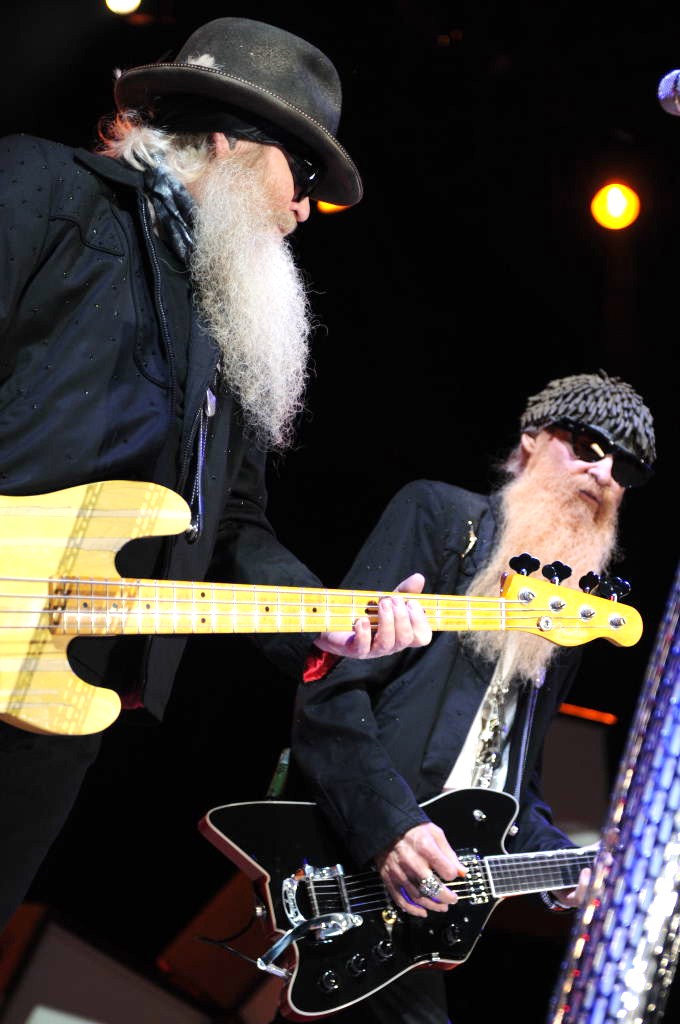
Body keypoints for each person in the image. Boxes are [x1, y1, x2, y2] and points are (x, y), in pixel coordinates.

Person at [0, 18, 432, 931]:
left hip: (57, 693)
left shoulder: (226, 328)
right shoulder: (46, 188)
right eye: (303, 173)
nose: (306, 209)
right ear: (230, 140)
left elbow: (230, 525)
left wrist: (326, 618)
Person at [286, 370, 656, 1023]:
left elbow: (513, 787)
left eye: (624, 467)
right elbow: (331, 689)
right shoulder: (440, 514)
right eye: (588, 445)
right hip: (350, 857)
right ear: (531, 440)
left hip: (429, 903)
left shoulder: (574, 614)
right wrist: (390, 828)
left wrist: (566, 869)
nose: (603, 474)